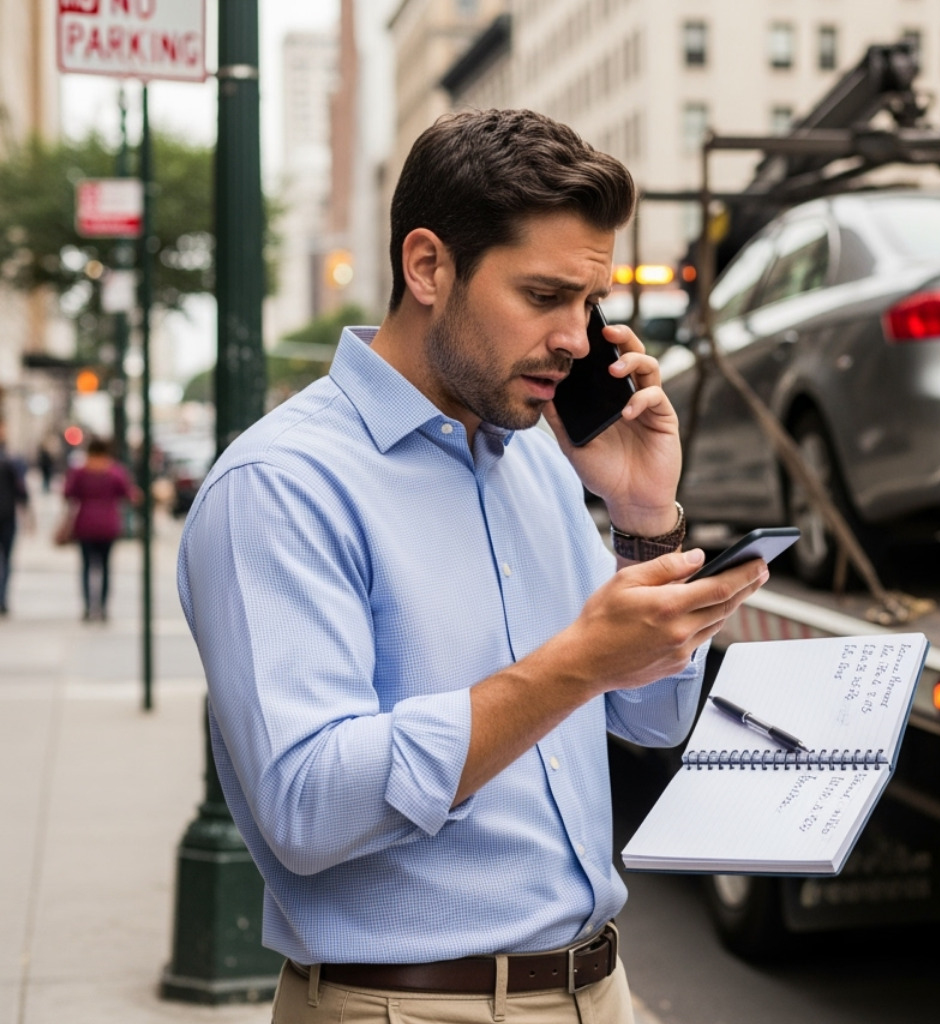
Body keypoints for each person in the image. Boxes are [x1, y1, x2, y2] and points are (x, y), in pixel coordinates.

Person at [177, 109, 767, 1024]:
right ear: (427, 268)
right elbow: (306, 807)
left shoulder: (538, 455)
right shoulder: (279, 487)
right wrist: (573, 662)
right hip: (406, 1007)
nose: (577, 338)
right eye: (542, 297)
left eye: (587, 303)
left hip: (597, 989)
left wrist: (645, 517)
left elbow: (650, 719)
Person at [62, 436, 137, 622]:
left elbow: (67, 493)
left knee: (87, 566)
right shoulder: (115, 472)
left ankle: (88, 607)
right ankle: (102, 608)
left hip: (85, 523)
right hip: (108, 524)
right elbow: (129, 494)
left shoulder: (80, 471)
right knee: (105, 567)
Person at [0, 420, 30, 616]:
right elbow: (22, 491)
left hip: (7, 515)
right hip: (7, 515)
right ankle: (2, 598)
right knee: (6, 560)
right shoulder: (11, 460)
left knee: (7, 559)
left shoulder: (11, 460)